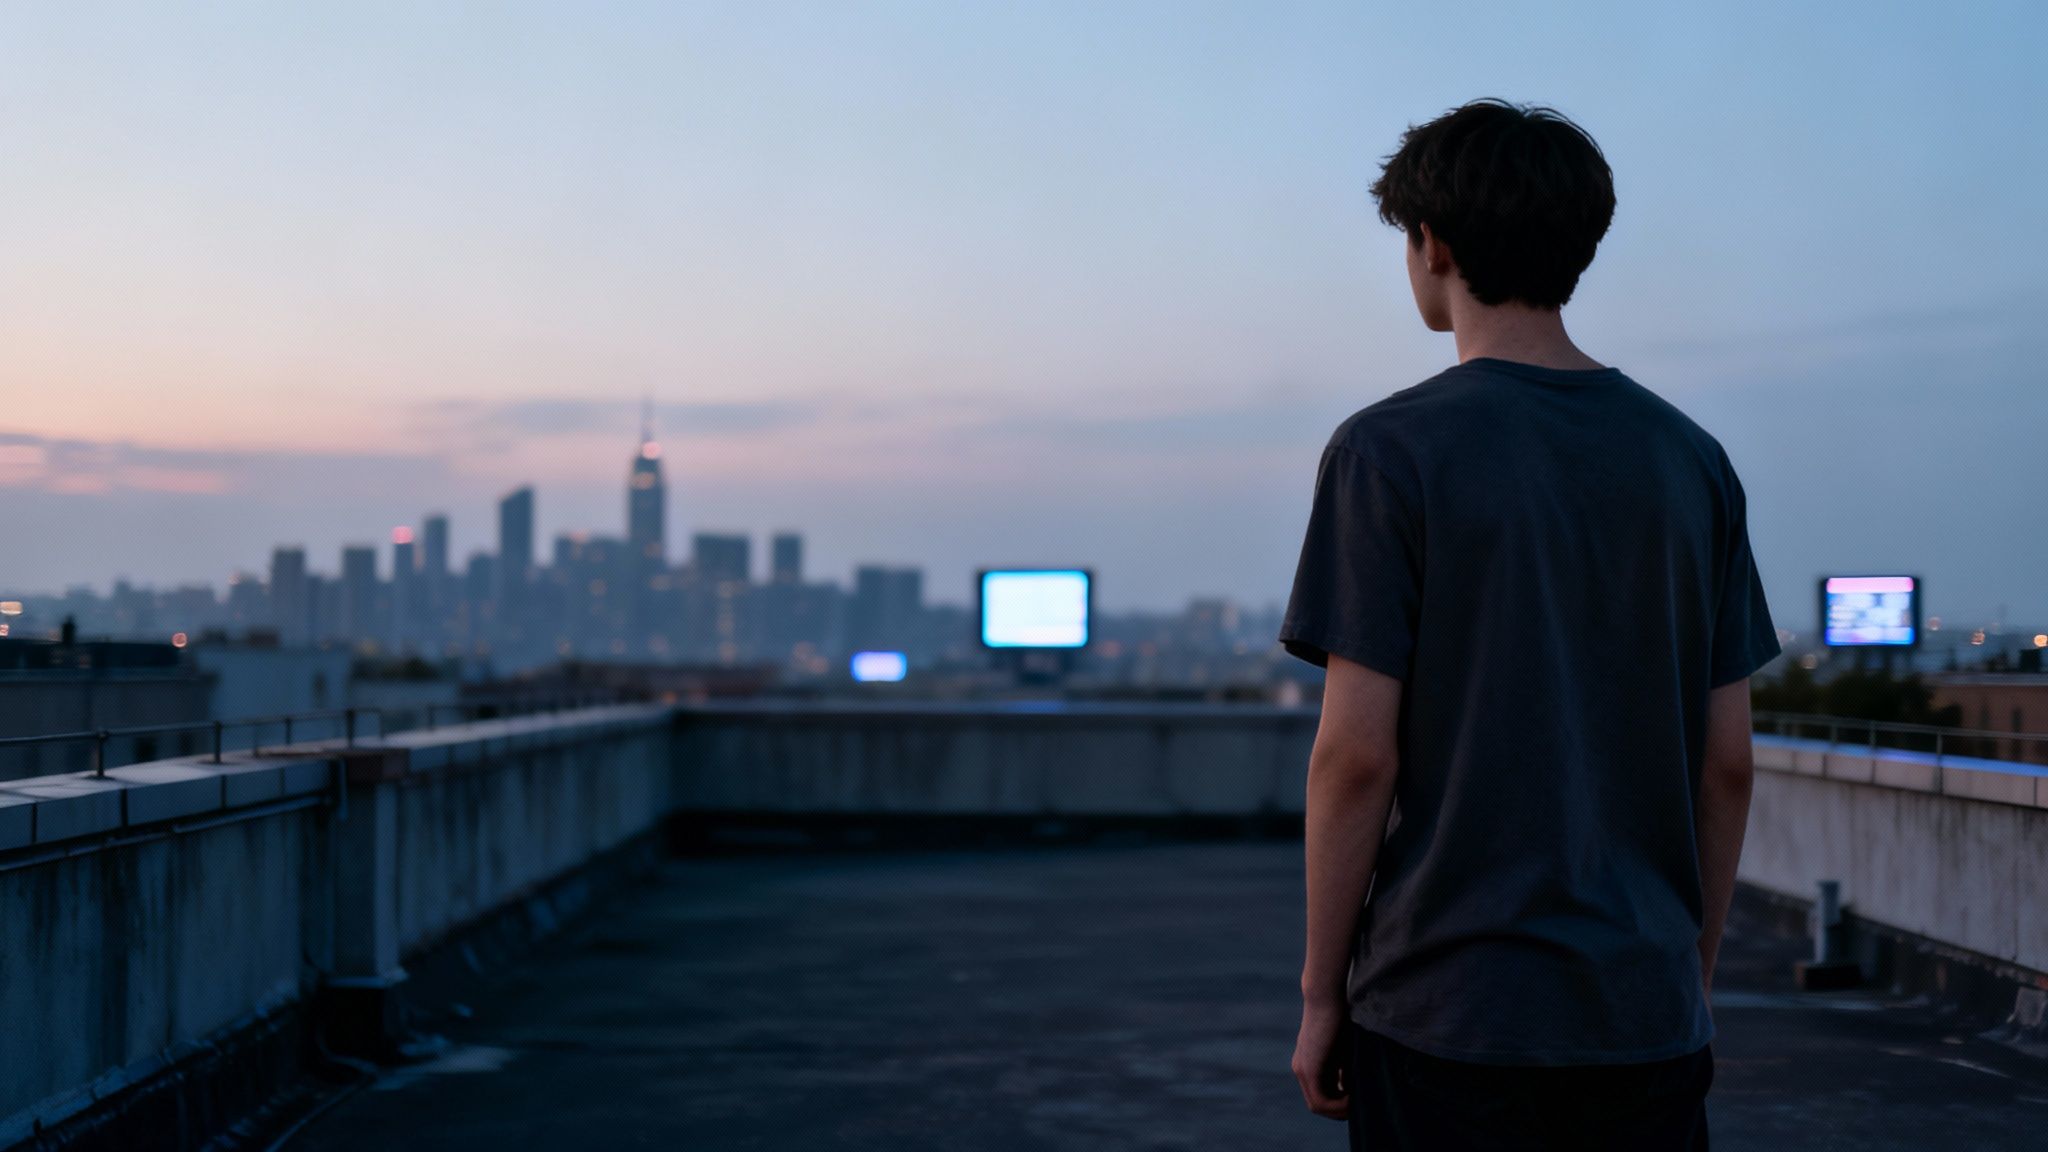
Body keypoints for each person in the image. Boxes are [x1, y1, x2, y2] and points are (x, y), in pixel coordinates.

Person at [1279, 99, 1780, 1151]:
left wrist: (1323, 994)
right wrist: (1686, 975)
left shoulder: (1386, 453)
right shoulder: (1690, 462)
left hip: (1445, 1015)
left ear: (1433, 247)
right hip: (1639, 1016)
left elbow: (1354, 757)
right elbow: (1724, 761)